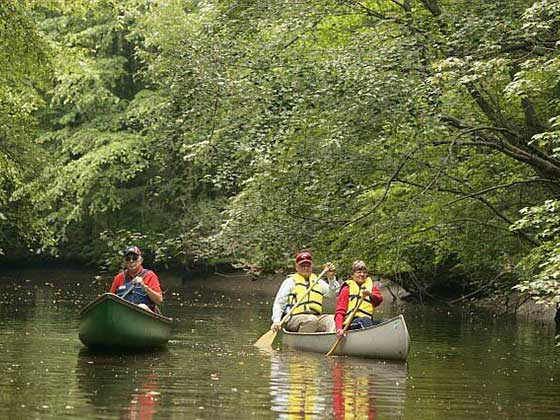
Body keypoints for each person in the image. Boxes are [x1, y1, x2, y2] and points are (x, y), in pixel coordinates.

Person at [271, 250, 339, 333]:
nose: (306, 268)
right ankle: (302, 343)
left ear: (311, 266)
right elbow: (279, 304)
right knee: (311, 320)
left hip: (316, 316)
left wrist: (331, 278)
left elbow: (333, 294)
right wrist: (276, 321)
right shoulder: (290, 282)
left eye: (308, 265)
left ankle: (329, 341)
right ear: (297, 267)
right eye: (302, 265)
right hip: (294, 318)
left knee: (333, 319)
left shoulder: (318, 281)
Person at [334, 260, 383, 337]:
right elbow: (340, 312)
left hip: (367, 321)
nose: (362, 274)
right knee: (365, 321)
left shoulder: (371, 288)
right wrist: (339, 329)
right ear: (352, 275)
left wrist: (370, 294)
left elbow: (379, 300)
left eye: (364, 272)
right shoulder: (346, 289)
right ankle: (373, 342)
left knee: (385, 322)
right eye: (359, 272)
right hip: (350, 324)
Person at [110, 246, 163, 312]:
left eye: (134, 258)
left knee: (142, 307)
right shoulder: (119, 278)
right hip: (123, 313)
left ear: (141, 260)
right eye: (128, 259)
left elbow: (159, 301)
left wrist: (144, 287)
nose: (131, 261)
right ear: (124, 261)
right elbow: (110, 301)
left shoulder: (150, 275)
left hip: (145, 315)